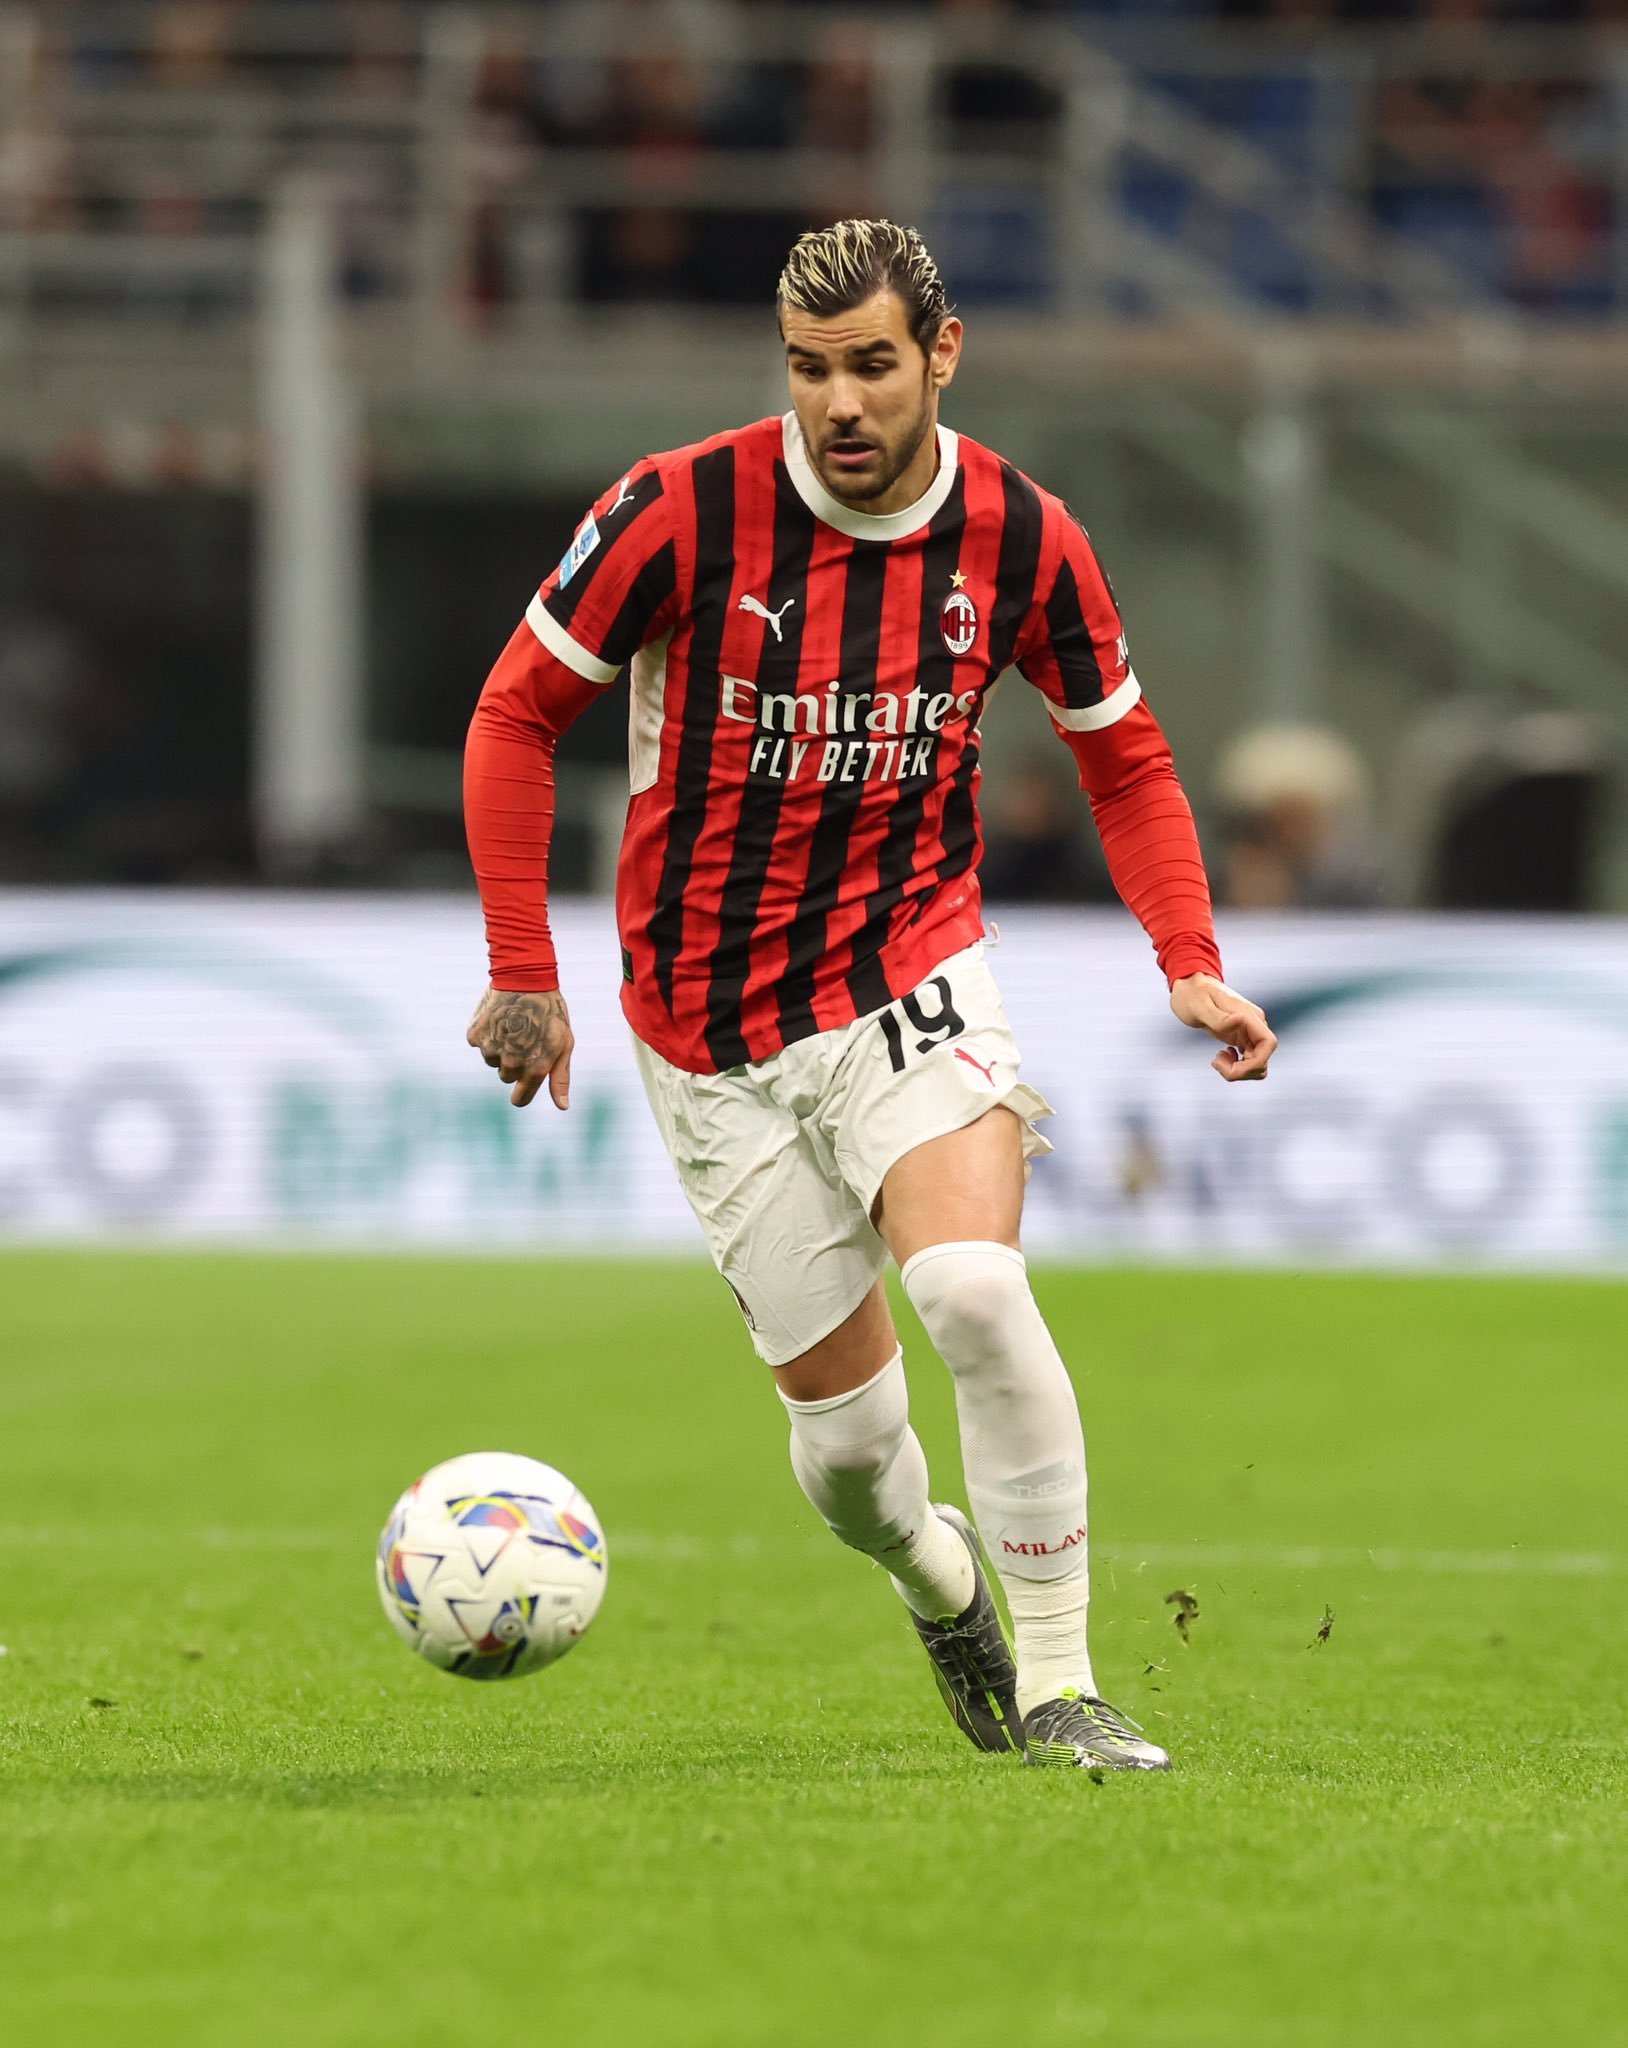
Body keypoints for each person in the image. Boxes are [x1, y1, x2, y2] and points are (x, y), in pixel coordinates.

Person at [463, 218, 1277, 1772]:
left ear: (942, 355)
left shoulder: (1025, 537)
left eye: (873, 366)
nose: (839, 401)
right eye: (810, 368)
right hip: (706, 1030)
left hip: (911, 970)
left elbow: (1125, 759)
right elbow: (516, 715)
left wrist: (1190, 959)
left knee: (973, 1289)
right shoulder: (676, 510)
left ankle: (1061, 1687)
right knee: (850, 1460)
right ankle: (937, 1578)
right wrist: (523, 971)